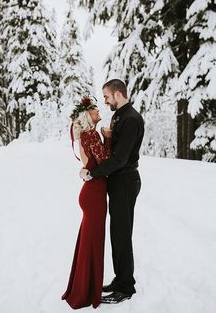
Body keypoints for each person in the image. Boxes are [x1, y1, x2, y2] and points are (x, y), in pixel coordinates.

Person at [80, 79, 144, 304]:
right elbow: (110, 151)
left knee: (122, 234)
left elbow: (120, 159)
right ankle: (120, 279)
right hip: (117, 182)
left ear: (117, 94)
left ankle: (126, 287)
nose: (105, 101)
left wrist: (93, 173)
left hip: (126, 181)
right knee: (117, 233)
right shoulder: (119, 116)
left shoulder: (132, 119)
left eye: (106, 97)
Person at [61, 96, 112, 309]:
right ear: (86, 116)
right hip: (94, 194)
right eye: (94, 110)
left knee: (88, 242)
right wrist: (107, 137)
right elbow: (106, 162)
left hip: (91, 192)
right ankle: (84, 292)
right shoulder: (91, 134)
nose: (98, 111)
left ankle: (84, 286)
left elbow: (92, 163)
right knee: (93, 242)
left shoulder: (84, 135)